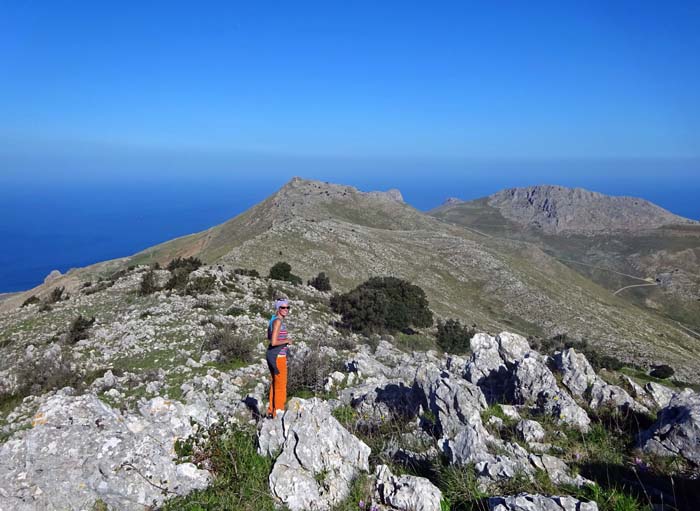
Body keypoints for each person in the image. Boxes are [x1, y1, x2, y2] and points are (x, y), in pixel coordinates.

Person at [266, 298, 292, 418]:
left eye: (287, 307)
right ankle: (279, 413)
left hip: (273, 356)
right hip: (278, 358)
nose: (286, 310)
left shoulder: (273, 320)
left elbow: (269, 336)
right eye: (283, 307)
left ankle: (271, 410)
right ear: (278, 308)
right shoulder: (278, 322)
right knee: (281, 385)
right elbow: (273, 341)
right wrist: (287, 340)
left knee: (275, 383)